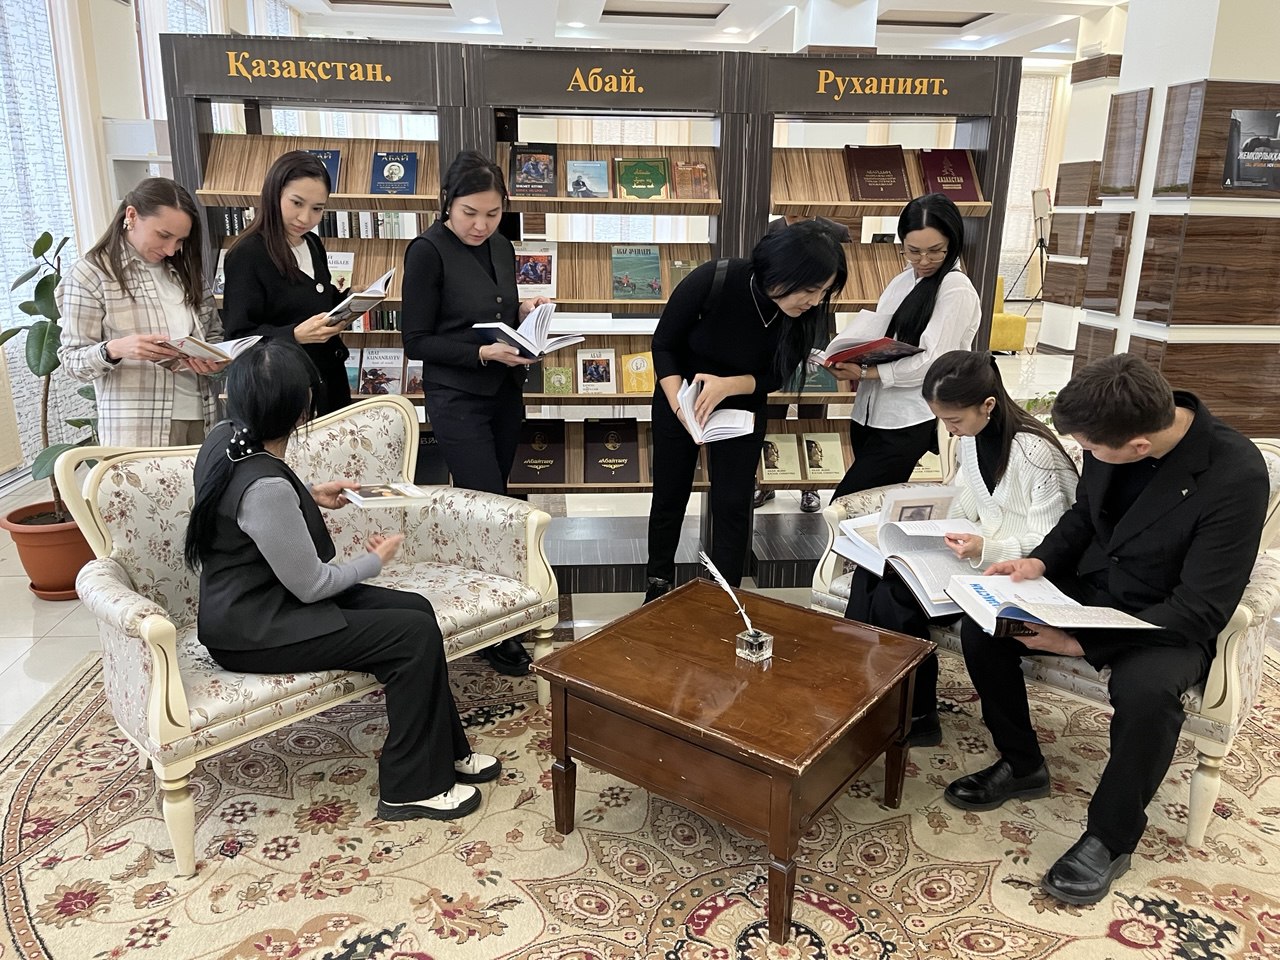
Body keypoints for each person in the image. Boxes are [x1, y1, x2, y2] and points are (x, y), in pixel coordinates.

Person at [943, 354, 1267, 905]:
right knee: (989, 626)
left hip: (1163, 616)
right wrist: (1040, 562)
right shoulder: (1111, 426)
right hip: (1094, 585)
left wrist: (1078, 642)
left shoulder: (1235, 475)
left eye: (1090, 450)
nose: (1085, 456)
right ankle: (1022, 764)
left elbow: (1201, 607)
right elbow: (1082, 517)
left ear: (1139, 446)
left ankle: (1110, 837)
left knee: (1147, 693)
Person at [184, 340, 501, 822]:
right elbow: (312, 584)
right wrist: (374, 560)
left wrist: (310, 494)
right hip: (255, 631)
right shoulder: (266, 487)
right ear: (300, 409)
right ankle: (410, 787)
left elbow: (253, 514)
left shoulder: (225, 436)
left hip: (261, 604)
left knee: (416, 610)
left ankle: (447, 752)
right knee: (412, 636)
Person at [843, 351, 1078, 747]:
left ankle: (915, 714)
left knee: (894, 598)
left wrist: (986, 546)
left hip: (1024, 573)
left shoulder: (1034, 452)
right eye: (943, 420)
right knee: (873, 575)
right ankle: (867, 692)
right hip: (980, 559)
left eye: (954, 420)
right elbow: (966, 506)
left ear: (988, 405)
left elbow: (1051, 545)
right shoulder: (972, 440)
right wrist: (925, 531)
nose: (950, 432)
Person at [400, 150, 550, 676]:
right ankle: (494, 629)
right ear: (448, 203)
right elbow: (416, 340)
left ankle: (498, 609)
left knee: (500, 501)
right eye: (469, 213)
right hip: (457, 396)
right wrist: (481, 352)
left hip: (504, 391)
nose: (481, 225)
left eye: (492, 213)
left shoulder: (502, 246)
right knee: (485, 501)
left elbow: (497, 308)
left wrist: (525, 313)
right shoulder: (427, 251)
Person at [644, 220, 847, 602]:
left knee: (733, 503)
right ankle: (658, 583)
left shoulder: (806, 314)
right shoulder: (715, 279)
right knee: (670, 495)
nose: (815, 301)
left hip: (742, 406)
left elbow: (777, 374)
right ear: (781, 271)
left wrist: (728, 386)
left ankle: (726, 595)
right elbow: (664, 344)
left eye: (823, 291)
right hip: (681, 397)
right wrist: (680, 407)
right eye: (809, 289)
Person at [829, 193, 981, 502]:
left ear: (953, 242)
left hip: (907, 420)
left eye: (935, 251)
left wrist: (865, 372)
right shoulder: (902, 281)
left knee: (846, 506)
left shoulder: (955, 288)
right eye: (913, 251)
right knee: (870, 509)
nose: (923, 261)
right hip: (869, 413)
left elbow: (934, 361)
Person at [58, 177, 224, 446]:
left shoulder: (184, 271)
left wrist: (214, 361)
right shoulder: (91, 275)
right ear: (132, 216)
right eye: (164, 235)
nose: (170, 249)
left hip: (201, 417)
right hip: (137, 429)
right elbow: (71, 360)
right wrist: (115, 349)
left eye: (180, 240)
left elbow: (213, 335)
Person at [222, 150, 351, 415]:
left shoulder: (312, 243)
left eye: (317, 209)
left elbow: (311, 302)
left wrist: (350, 300)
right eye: (296, 203)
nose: (305, 218)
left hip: (328, 383)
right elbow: (237, 337)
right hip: (283, 393)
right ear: (274, 194)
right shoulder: (248, 254)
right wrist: (293, 336)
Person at [756, 214, 853, 512]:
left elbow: (838, 279)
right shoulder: (772, 229)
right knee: (773, 409)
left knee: (814, 410)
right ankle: (767, 481)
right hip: (781, 328)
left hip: (817, 330)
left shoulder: (834, 230)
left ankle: (810, 487)